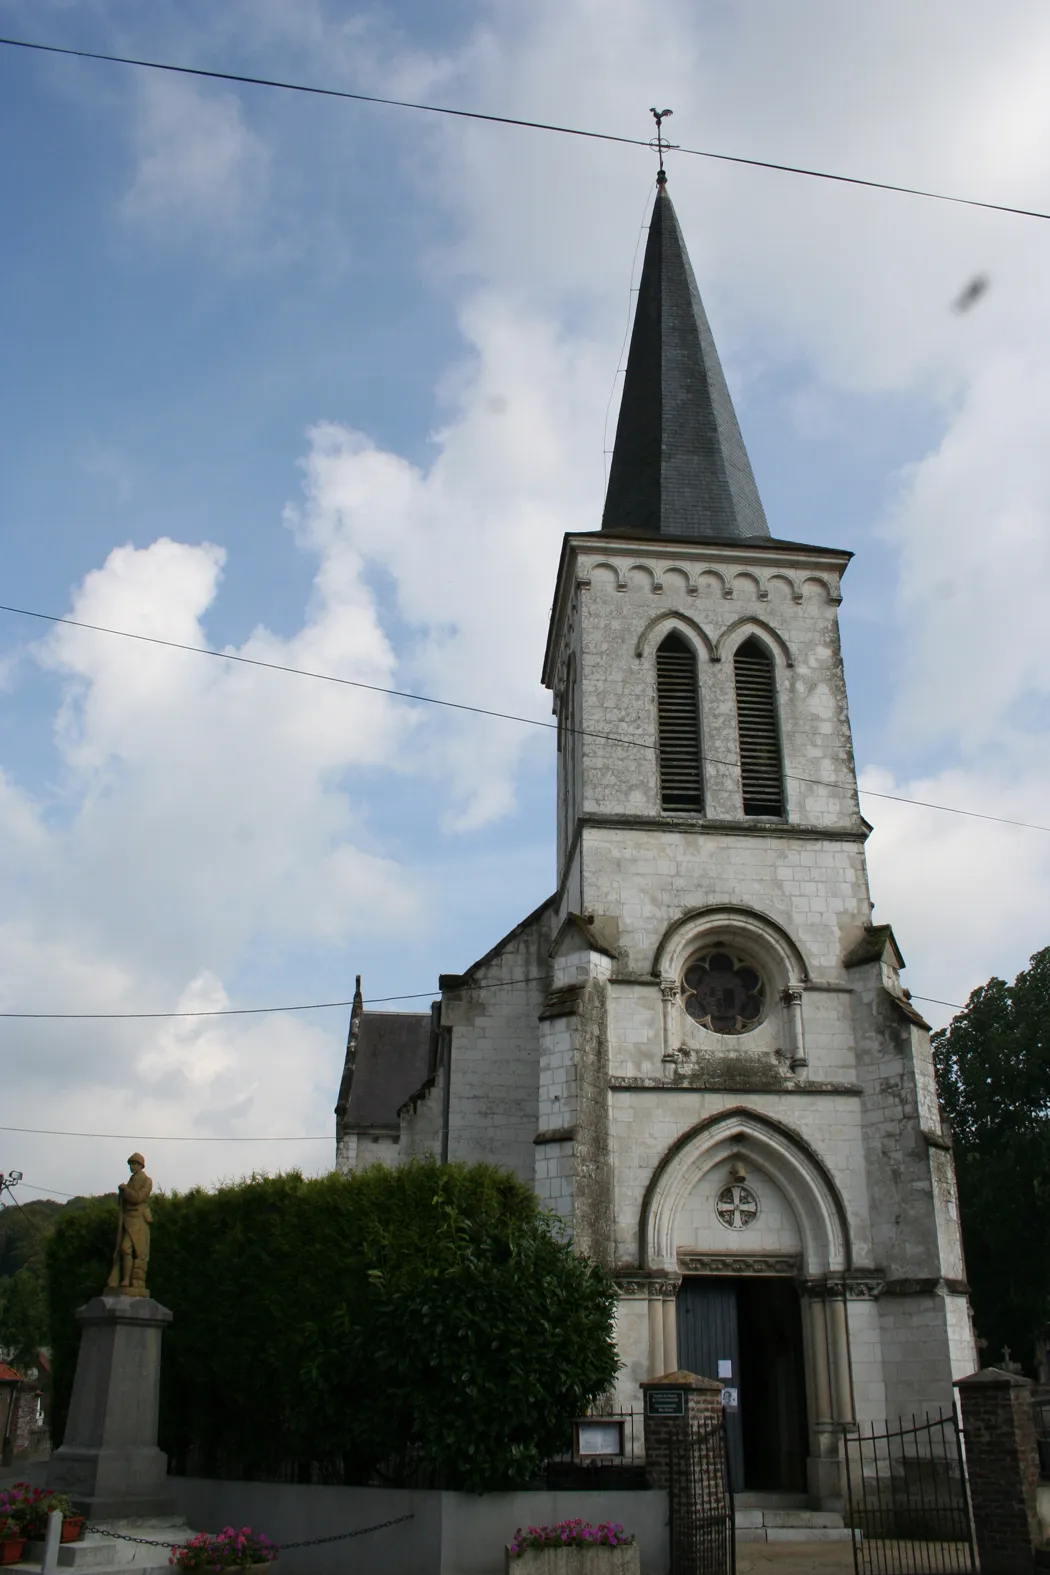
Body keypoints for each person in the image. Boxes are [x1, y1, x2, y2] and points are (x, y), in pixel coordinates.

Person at [105, 1153, 153, 1295]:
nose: (132, 1167)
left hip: (138, 1220)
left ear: (141, 1165)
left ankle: (130, 1280)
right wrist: (122, 1193)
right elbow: (123, 1202)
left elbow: (139, 1197)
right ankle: (125, 1279)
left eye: (134, 1164)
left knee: (134, 1251)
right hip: (127, 1219)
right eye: (130, 1164)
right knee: (124, 1249)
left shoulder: (146, 1180)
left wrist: (125, 1190)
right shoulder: (131, 1180)